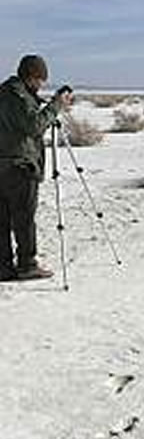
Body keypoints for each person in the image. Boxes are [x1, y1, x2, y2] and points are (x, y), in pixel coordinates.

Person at [0, 54, 73, 281]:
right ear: (32, 76)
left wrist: (44, 104)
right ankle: (27, 264)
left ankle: (3, 266)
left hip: (4, 162)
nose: (41, 84)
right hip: (18, 165)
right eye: (41, 79)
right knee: (23, 217)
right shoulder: (17, 95)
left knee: (3, 218)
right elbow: (33, 126)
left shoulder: (8, 92)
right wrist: (55, 107)